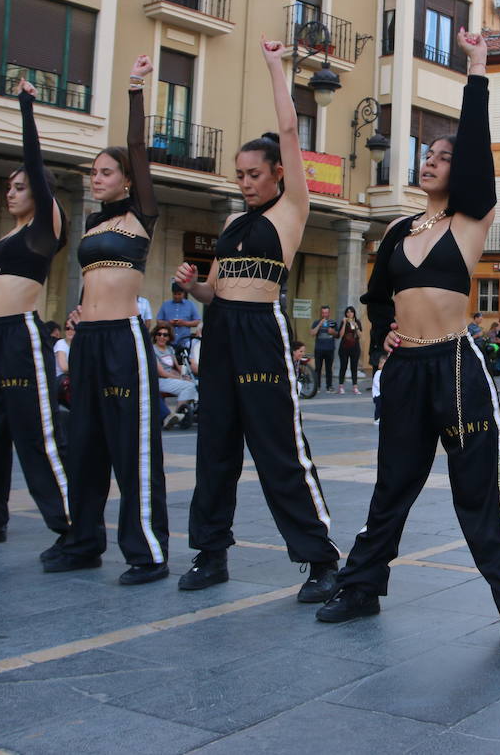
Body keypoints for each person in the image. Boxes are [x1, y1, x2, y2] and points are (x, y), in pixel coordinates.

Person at [317, 28, 500, 649]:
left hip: (454, 369)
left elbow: (478, 154)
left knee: (481, 490)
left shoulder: (471, 221)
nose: (430, 162)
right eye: (428, 155)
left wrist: (477, 72)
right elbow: (376, 300)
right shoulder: (395, 231)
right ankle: (361, 587)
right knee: (392, 485)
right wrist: (382, 345)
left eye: (442, 158)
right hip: (406, 373)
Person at [174, 37, 338, 602]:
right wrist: (191, 286)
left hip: (261, 332)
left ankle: (320, 561)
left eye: (253, 173)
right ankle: (210, 553)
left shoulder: (292, 211)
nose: (244, 182)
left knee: (278, 449)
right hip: (221, 333)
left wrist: (277, 66)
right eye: (239, 175)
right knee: (214, 447)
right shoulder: (232, 228)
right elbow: (213, 292)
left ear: (276, 175)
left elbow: (290, 131)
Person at [51, 56, 171, 586]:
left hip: (124, 341)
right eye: (93, 173)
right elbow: (89, 280)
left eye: (105, 172)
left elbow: (141, 149)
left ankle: (146, 553)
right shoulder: (95, 224)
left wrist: (135, 88)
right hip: (89, 342)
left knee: (132, 445)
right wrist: (75, 319)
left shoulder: (139, 214)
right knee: (85, 445)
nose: (95, 179)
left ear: (126, 179)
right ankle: (82, 541)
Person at [0, 79, 73, 554]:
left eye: (20, 186)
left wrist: (27, 109)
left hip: (21, 338)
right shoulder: (8, 237)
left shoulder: (44, 229)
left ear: (41, 191)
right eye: (8, 187)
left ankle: (71, 527)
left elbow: (34, 159)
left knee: (35, 434)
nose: (10, 192)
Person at [151, 323, 196, 428]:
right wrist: (180, 378)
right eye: (159, 334)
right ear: (155, 336)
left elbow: (178, 367)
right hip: (160, 380)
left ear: (169, 337)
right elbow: (161, 372)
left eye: (165, 335)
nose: (162, 337)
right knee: (189, 386)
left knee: (194, 383)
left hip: (171, 379)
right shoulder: (152, 349)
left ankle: (176, 415)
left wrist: (185, 375)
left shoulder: (170, 349)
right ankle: (176, 414)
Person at [156, 281, 201, 359]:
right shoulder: (166, 304)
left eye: (179, 294)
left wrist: (184, 323)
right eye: (175, 294)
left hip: (184, 342)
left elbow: (197, 321)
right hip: (168, 342)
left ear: (184, 293)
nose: (177, 296)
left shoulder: (190, 305)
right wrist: (168, 323)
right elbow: (158, 321)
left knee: (184, 364)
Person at [309, 305, 339, 393]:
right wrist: (319, 325)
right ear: (320, 313)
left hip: (330, 349)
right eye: (323, 313)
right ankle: (317, 386)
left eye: (326, 312)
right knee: (318, 368)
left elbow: (337, 335)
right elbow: (312, 333)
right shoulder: (316, 322)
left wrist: (332, 332)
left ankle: (329, 387)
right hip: (319, 349)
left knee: (329, 369)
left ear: (329, 313)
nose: (324, 314)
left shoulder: (333, 322)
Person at [337, 306, 363, 394]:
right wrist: (344, 323)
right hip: (344, 348)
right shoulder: (343, 321)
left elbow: (360, 335)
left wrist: (356, 326)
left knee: (354, 367)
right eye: (348, 312)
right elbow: (340, 335)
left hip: (355, 348)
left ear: (354, 313)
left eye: (351, 312)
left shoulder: (357, 322)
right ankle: (341, 387)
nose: (349, 314)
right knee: (343, 367)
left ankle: (355, 387)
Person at [370, 352, 385, 426]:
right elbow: (376, 383)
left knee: (384, 407)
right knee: (379, 406)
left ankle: (382, 418)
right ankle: (376, 418)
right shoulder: (378, 373)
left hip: (383, 394)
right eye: (382, 363)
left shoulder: (386, 373)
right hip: (377, 394)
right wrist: (383, 389)